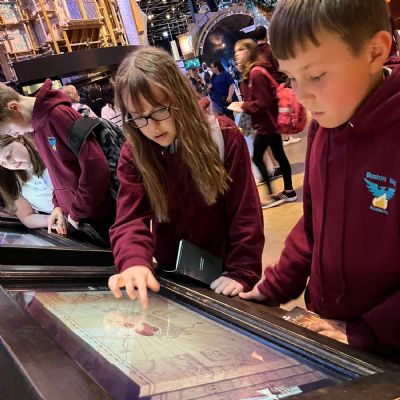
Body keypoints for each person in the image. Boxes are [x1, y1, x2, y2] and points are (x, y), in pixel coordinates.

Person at [240, 0, 400, 357]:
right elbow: (314, 224)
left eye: (315, 76)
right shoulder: (324, 128)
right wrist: (274, 286)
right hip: (330, 332)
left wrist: (368, 333)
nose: (301, 95)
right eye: (290, 78)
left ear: (375, 52)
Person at [108, 46, 264, 309]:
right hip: (172, 276)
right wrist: (133, 261)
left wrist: (242, 270)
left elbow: (245, 211)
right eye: (138, 117)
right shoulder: (134, 154)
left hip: (224, 274)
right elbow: (130, 218)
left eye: (160, 110)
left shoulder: (223, 135)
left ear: (179, 97)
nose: (152, 126)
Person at [0, 80, 115, 244]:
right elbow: (57, 174)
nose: (14, 134)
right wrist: (57, 205)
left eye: (10, 129)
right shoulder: (37, 129)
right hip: (83, 219)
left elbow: (96, 169)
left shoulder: (57, 115)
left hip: (101, 216)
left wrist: (75, 213)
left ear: (14, 107)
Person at [231, 39, 297, 208]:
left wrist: (243, 106)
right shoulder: (252, 73)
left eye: (241, 50)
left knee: (258, 157)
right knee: (279, 155)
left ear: (250, 51)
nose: (236, 54)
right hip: (268, 123)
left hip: (266, 125)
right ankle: (289, 191)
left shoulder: (256, 73)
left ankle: (271, 195)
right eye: (235, 51)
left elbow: (263, 102)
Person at [0, 134, 66, 233]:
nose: (10, 163)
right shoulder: (12, 182)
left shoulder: (49, 148)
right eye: (3, 163)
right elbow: (27, 217)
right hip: (70, 225)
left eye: (9, 155)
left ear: (19, 139)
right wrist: (54, 220)